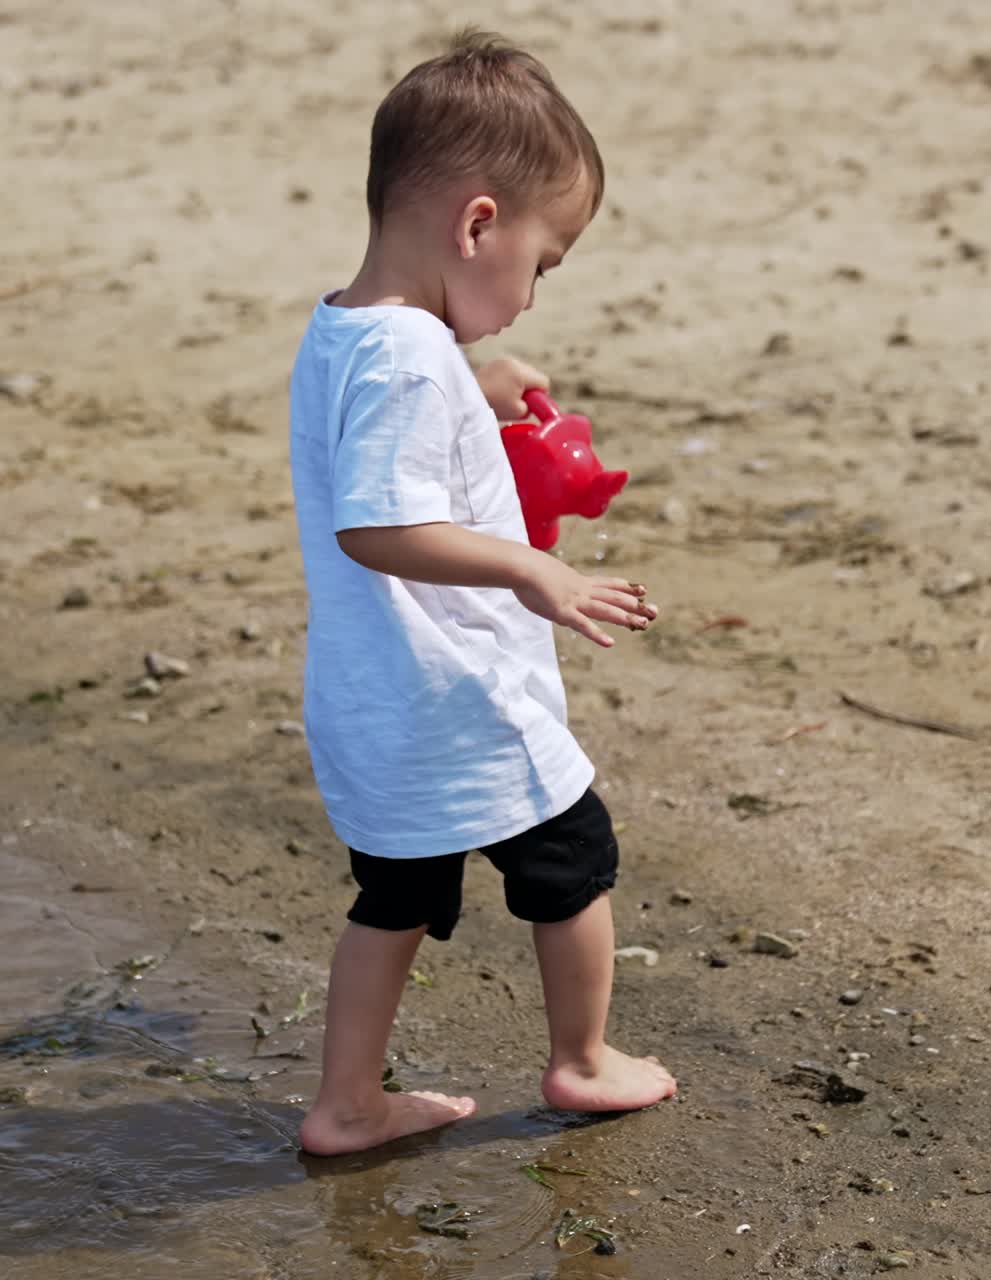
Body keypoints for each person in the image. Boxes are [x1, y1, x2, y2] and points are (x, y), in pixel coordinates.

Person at [288, 29, 677, 1157]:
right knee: (573, 853)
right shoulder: (410, 359)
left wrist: (473, 378)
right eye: (542, 262)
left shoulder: (352, 328)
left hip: (374, 701)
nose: (533, 295)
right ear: (476, 224)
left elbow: (386, 415)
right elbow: (376, 522)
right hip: (458, 694)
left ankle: (347, 1102)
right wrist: (531, 567)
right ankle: (584, 1058)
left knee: (393, 901)